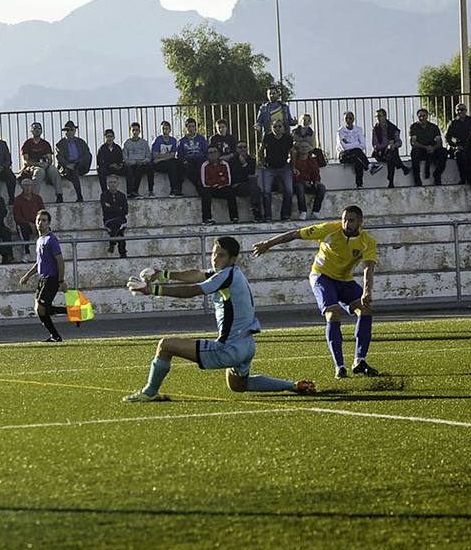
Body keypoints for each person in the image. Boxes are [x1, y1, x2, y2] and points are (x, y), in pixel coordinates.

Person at [121, 236, 316, 401]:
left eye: (220, 255)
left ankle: (150, 392)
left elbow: (195, 290)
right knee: (238, 385)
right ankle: (294, 385)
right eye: (214, 253)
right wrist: (162, 275)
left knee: (165, 346)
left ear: (232, 259)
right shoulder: (229, 272)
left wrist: (152, 290)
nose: (215, 258)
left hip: (229, 348)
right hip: (247, 345)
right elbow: (197, 274)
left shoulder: (226, 276)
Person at [252, 205, 379, 380]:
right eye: (344, 219)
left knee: (365, 309)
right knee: (333, 314)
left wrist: (366, 292)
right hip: (322, 277)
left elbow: (368, 268)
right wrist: (268, 244)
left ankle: (359, 360)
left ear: (360, 222)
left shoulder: (367, 241)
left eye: (351, 220)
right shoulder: (328, 230)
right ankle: (340, 367)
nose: (346, 223)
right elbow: (295, 234)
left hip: (344, 280)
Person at [17, 209, 65, 343]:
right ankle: (56, 335)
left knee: (41, 308)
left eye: (44, 220)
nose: (40, 223)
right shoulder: (40, 240)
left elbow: (60, 260)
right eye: (39, 220)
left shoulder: (51, 240)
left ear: (49, 223)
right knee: (39, 310)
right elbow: (39, 262)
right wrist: (27, 276)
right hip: (42, 278)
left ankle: (69, 315)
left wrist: (61, 280)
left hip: (51, 278)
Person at [259, 120, 296, 220]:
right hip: (269, 168)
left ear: (283, 128)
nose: (277, 129)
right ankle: (268, 215)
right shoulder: (267, 138)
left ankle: (285, 215)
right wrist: (262, 163)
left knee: (289, 190)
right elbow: (261, 151)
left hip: (284, 167)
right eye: (275, 127)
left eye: (279, 126)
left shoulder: (288, 138)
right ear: (272, 128)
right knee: (266, 191)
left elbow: (292, 152)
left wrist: (293, 166)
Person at [19, 122, 59, 201]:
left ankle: (59, 195)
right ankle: (34, 196)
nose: (37, 130)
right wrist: (38, 164)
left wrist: (46, 164)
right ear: (31, 131)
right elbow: (26, 161)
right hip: (32, 167)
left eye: (39, 128)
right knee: (39, 171)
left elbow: (50, 159)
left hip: (44, 165)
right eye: (35, 128)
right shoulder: (27, 144)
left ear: (41, 131)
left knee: (54, 170)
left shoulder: (45, 144)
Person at [54, 120, 91, 203]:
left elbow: (87, 154)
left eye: (71, 130)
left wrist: (79, 162)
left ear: (75, 131)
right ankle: (79, 196)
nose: (69, 132)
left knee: (88, 157)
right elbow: (59, 156)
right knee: (74, 171)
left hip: (80, 165)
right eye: (67, 130)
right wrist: (67, 165)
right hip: (67, 168)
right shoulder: (60, 144)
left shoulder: (81, 142)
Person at [408, 108, 447, 185]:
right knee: (415, 152)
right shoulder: (413, 127)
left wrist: (433, 148)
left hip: (432, 150)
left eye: (424, 116)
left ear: (427, 116)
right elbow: (414, 142)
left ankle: (437, 174)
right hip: (421, 150)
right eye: (420, 116)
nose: (422, 118)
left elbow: (439, 142)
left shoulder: (434, 127)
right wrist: (426, 147)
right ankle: (417, 179)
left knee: (443, 152)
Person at [200, 146, 237, 225]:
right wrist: (218, 181)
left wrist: (217, 182)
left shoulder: (224, 164)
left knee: (230, 191)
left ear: (218, 153)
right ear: (207, 155)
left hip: (222, 188)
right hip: (211, 189)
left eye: (214, 152)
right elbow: (205, 182)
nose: (213, 154)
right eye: (210, 153)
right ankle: (207, 218)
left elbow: (228, 180)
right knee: (206, 193)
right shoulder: (205, 165)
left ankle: (234, 217)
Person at [371, 109, 409, 187]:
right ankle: (402, 167)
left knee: (390, 155)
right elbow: (375, 144)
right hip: (380, 153)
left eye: (380, 116)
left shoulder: (393, 128)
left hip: (390, 152)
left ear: (385, 116)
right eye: (377, 116)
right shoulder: (376, 129)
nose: (378, 118)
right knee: (391, 155)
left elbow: (399, 142)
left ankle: (391, 181)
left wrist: (393, 145)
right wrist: (386, 145)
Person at [291, 138, 327, 218]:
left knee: (321, 188)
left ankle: (316, 211)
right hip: (299, 183)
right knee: (300, 188)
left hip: (310, 183)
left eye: (306, 147)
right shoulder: (294, 161)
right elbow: (294, 176)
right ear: (299, 149)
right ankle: (303, 211)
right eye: (302, 147)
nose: (304, 149)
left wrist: (316, 181)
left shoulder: (313, 161)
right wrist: (303, 182)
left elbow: (317, 172)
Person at [11, 177, 45, 260]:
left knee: (47, 230)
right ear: (22, 187)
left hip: (37, 223)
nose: (27, 187)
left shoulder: (38, 198)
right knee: (22, 229)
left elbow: (43, 212)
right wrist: (30, 224)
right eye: (25, 185)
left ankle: (46, 252)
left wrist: (37, 223)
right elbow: (17, 217)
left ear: (32, 186)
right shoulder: (18, 200)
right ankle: (26, 253)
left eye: (29, 185)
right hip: (25, 224)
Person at [444, 103, 471, 173]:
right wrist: (455, 146)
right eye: (458, 110)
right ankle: (463, 177)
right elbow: (447, 138)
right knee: (459, 154)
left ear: (466, 110)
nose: (460, 111)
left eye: (462, 109)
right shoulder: (453, 123)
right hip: (459, 147)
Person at [230, 142, 263, 222]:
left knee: (256, 189)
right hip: (237, 186)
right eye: (240, 147)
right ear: (237, 149)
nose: (243, 149)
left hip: (248, 185)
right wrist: (246, 175)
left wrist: (244, 164)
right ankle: (256, 212)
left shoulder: (251, 160)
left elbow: (250, 173)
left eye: (244, 147)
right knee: (254, 187)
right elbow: (235, 176)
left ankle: (255, 209)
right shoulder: (232, 161)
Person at [175, 118, 208, 198]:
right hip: (188, 161)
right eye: (189, 126)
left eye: (193, 126)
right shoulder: (182, 141)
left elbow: (206, 151)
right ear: (186, 128)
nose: (191, 128)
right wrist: (184, 160)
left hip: (200, 159)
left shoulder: (201, 139)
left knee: (200, 168)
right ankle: (180, 190)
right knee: (186, 168)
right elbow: (179, 154)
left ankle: (201, 187)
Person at [337, 112, 371, 188]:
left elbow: (363, 145)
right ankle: (369, 166)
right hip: (344, 155)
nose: (348, 120)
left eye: (350, 118)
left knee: (358, 159)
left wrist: (350, 144)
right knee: (357, 151)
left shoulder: (358, 130)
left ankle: (359, 184)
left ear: (353, 119)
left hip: (356, 155)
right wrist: (356, 143)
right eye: (346, 118)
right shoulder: (341, 131)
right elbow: (344, 147)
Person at [122, 122, 155, 197]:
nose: (135, 132)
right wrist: (134, 162)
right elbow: (125, 158)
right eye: (133, 130)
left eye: (136, 130)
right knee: (137, 169)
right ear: (130, 131)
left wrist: (143, 161)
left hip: (143, 163)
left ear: (139, 131)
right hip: (132, 165)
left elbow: (148, 156)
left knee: (151, 167)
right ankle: (134, 191)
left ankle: (150, 190)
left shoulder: (144, 142)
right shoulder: (126, 143)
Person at [100, 173, 129, 257]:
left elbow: (125, 211)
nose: (112, 184)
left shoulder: (122, 196)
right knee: (119, 231)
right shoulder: (104, 195)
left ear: (117, 183)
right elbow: (106, 209)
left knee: (118, 227)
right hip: (109, 220)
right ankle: (123, 253)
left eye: (114, 182)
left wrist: (112, 207)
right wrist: (118, 208)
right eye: (110, 182)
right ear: (108, 184)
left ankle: (112, 243)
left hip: (121, 220)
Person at [150, 120, 180, 197]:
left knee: (175, 163)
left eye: (166, 129)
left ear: (170, 130)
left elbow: (173, 155)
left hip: (163, 162)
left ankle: (176, 189)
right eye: (163, 129)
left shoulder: (173, 140)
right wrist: (167, 156)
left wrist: (160, 158)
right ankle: (173, 189)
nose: (165, 131)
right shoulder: (157, 140)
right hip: (159, 165)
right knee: (171, 164)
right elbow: (155, 155)